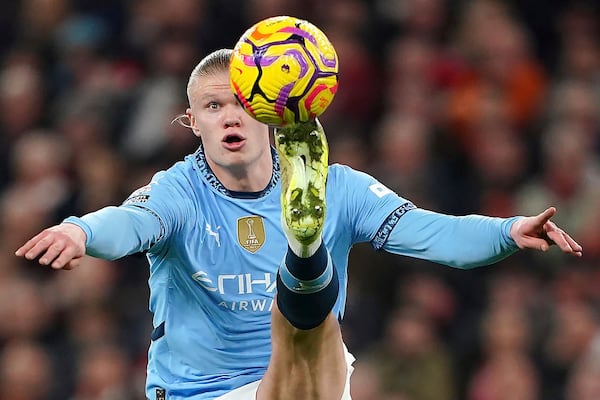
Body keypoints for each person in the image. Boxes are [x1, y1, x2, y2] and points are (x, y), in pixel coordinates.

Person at [15, 48, 582, 400]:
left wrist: (508, 232)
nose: (229, 116)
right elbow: (130, 223)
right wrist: (80, 232)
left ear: (269, 107)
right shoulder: (178, 191)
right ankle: (307, 261)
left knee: (318, 343)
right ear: (191, 122)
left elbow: (435, 235)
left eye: (240, 102)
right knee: (312, 336)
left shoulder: (338, 186)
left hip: (310, 381)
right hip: (201, 392)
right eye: (212, 107)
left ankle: (306, 257)